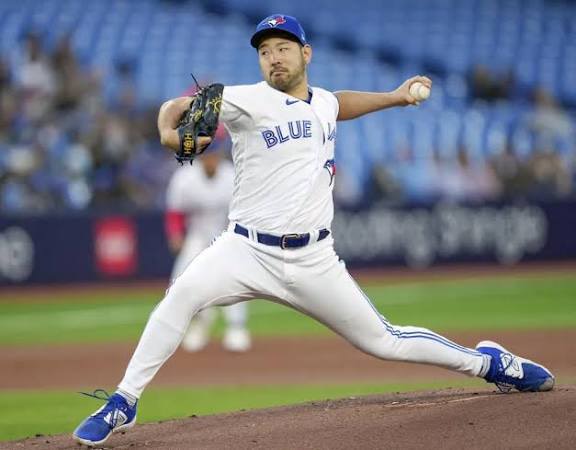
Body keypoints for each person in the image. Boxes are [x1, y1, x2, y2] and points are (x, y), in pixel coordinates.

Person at [73, 14, 555, 447]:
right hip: (244, 250)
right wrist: (166, 131)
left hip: (313, 261)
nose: (273, 57)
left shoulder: (321, 101)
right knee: (180, 296)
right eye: (264, 50)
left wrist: (394, 97)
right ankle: (124, 400)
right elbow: (174, 107)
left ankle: (490, 363)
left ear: (306, 53)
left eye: (283, 47)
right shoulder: (245, 100)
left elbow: (336, 104)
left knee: (384, 341)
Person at [165, 139, 251, 352]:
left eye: (214, 155)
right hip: (197, 235)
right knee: (182, 279)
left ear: (220, 156)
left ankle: (237, 327)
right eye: (206, 155)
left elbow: (245, 211)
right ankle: (200, 323)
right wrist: (176, 234)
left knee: (234, 277)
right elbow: (175, 212)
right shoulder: (185, 178)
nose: (210, 159)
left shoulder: (232, 175)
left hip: (227, 233)